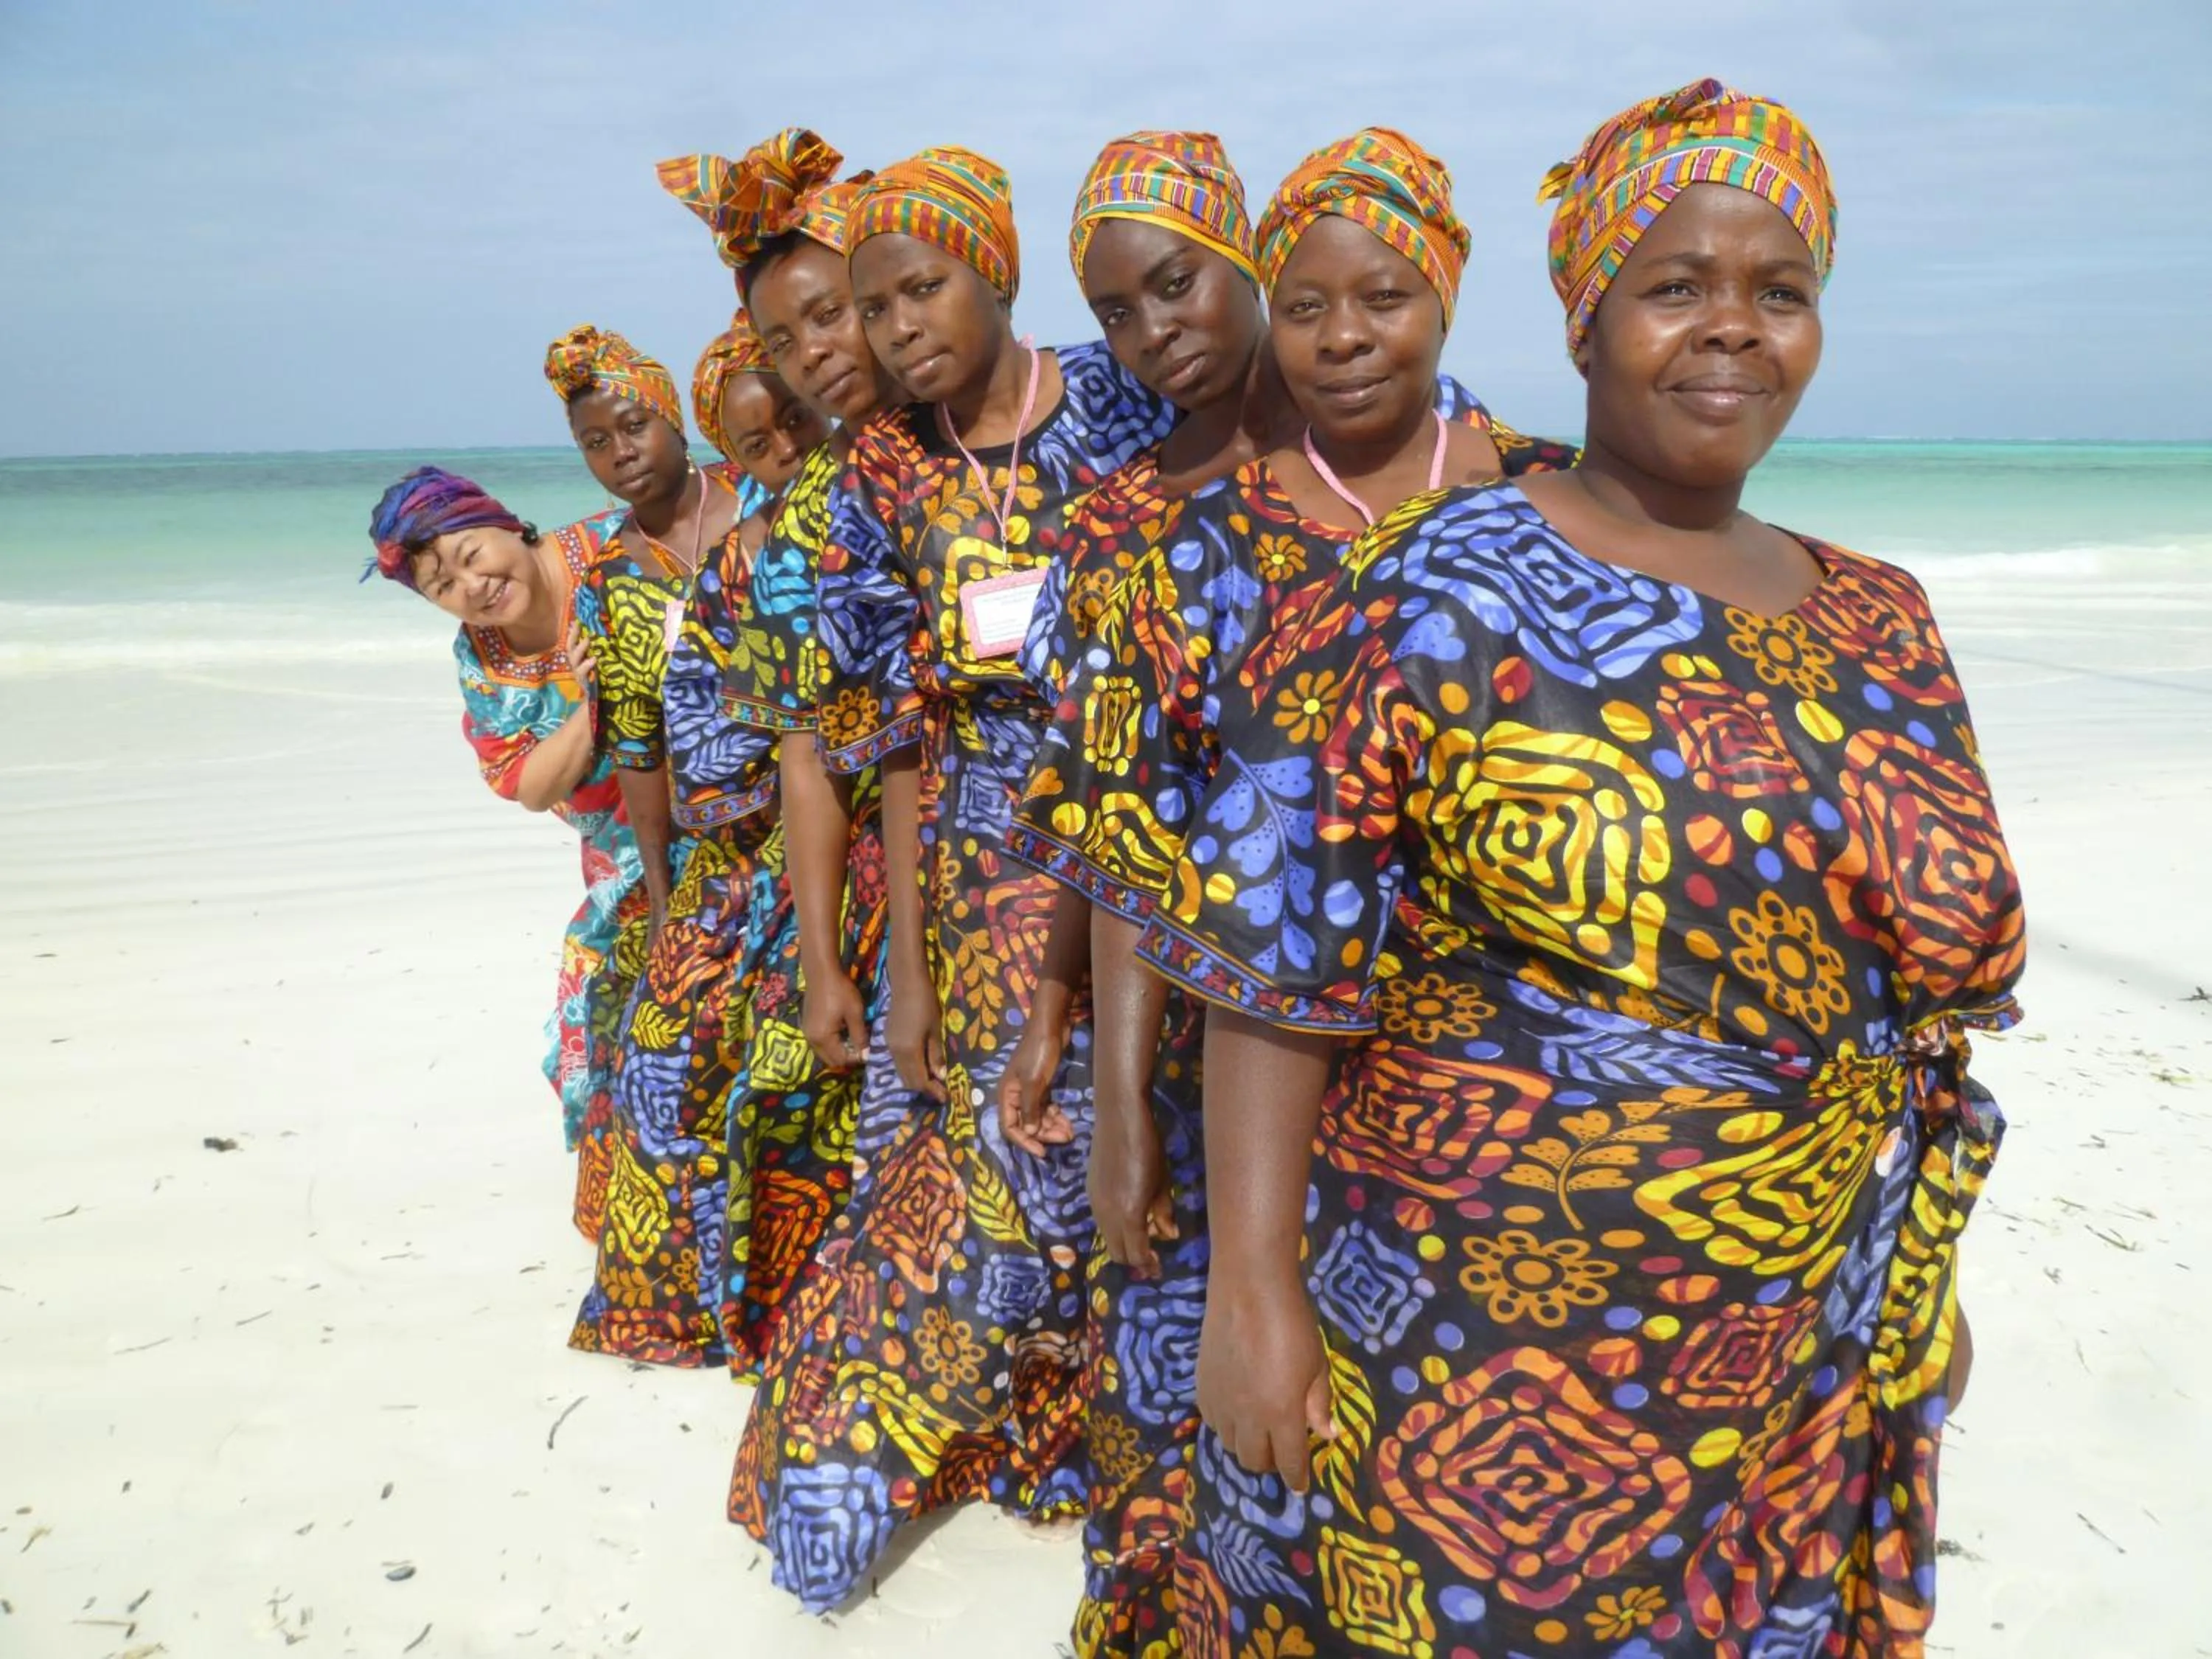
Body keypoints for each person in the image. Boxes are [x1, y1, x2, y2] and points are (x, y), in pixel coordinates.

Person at [1138, 81, 2025, 1657]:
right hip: (1482, 1336)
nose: (1732, 331)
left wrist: (1916, 1289)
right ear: (1583, 315)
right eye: (1676, 286)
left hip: (1792, 1341)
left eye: (1782, 293)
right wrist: (1250, 1293)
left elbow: (1911, 1010)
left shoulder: (1881, 614)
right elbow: (1274, 969)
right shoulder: (1431, 583)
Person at [1006, 128, 1573, 1656]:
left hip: (1498, 1093)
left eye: (1380, 298)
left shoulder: (1551, 499)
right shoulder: (1176, 542)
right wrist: (1115, 1089)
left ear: (1441, 296)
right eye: (1119, 313)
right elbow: (1130, 840)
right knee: (1259, 1410)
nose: (1340, 339)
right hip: (1252, 1056)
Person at [731, 145, 1176, 1614]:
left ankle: (1147, 1441)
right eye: (872, 308)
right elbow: (891, 743)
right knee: (1009, 1154)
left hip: (1166, 828)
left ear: (995, 273)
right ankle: (1010, 1430)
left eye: (922, 287)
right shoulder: (875, 474)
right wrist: (897, 964)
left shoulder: (1125, 398)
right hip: (991, 868)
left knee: (1158, 1146)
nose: (897, 328)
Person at [543, 323, 775, 1367]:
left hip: (830, 822)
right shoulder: (608, 578)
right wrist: (666, 890)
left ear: (675, 416)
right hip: (711, 851)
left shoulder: (766, 501)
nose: (621, 450)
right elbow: (636, 743)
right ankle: (683, 1307)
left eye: (633, 422)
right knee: (660, 1056)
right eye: (597, 441)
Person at [364, 467, 643, 1243]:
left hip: (736, 821)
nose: (472, 585)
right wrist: (592, 713)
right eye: (442, 585)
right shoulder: (481, 659)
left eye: (470, 553)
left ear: (508, 523)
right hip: (619, 863)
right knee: (590, 1013)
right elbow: (524, 782)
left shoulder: (618, 551)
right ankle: (630, 1222)